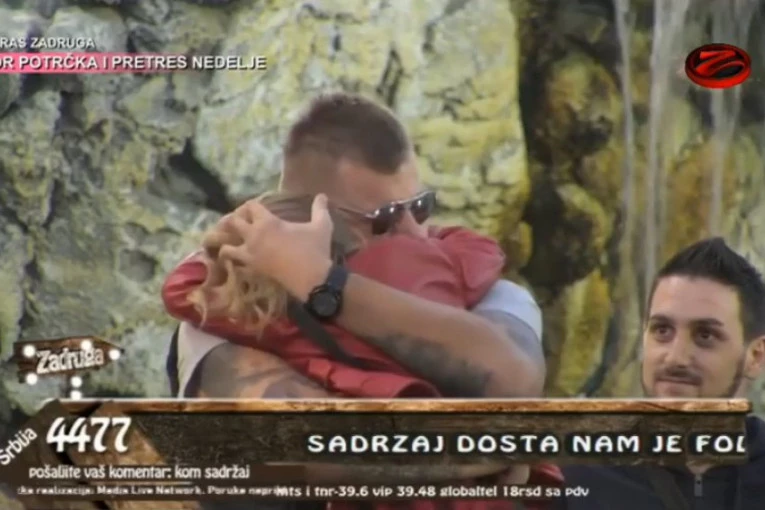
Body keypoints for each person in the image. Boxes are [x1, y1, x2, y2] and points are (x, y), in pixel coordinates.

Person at [164, 93, 559, 505]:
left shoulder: (483, 286)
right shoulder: (223, 306)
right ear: (311, 222)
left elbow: (514, 379)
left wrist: (321, 283)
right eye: (385, 219)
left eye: (420, 207)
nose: (416, 234)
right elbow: (291, 442)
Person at [163, 191, 507, 398]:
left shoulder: (261, 323)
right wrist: (419, 236)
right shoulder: (399, 296)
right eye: (382, 218)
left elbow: (179, 288)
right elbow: (481, 251)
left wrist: (238, 238)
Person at [557, 237, 765, 510]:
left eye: (705, 335)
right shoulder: (576, 472)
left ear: (756, 357)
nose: (675, 357)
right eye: (662, 330)